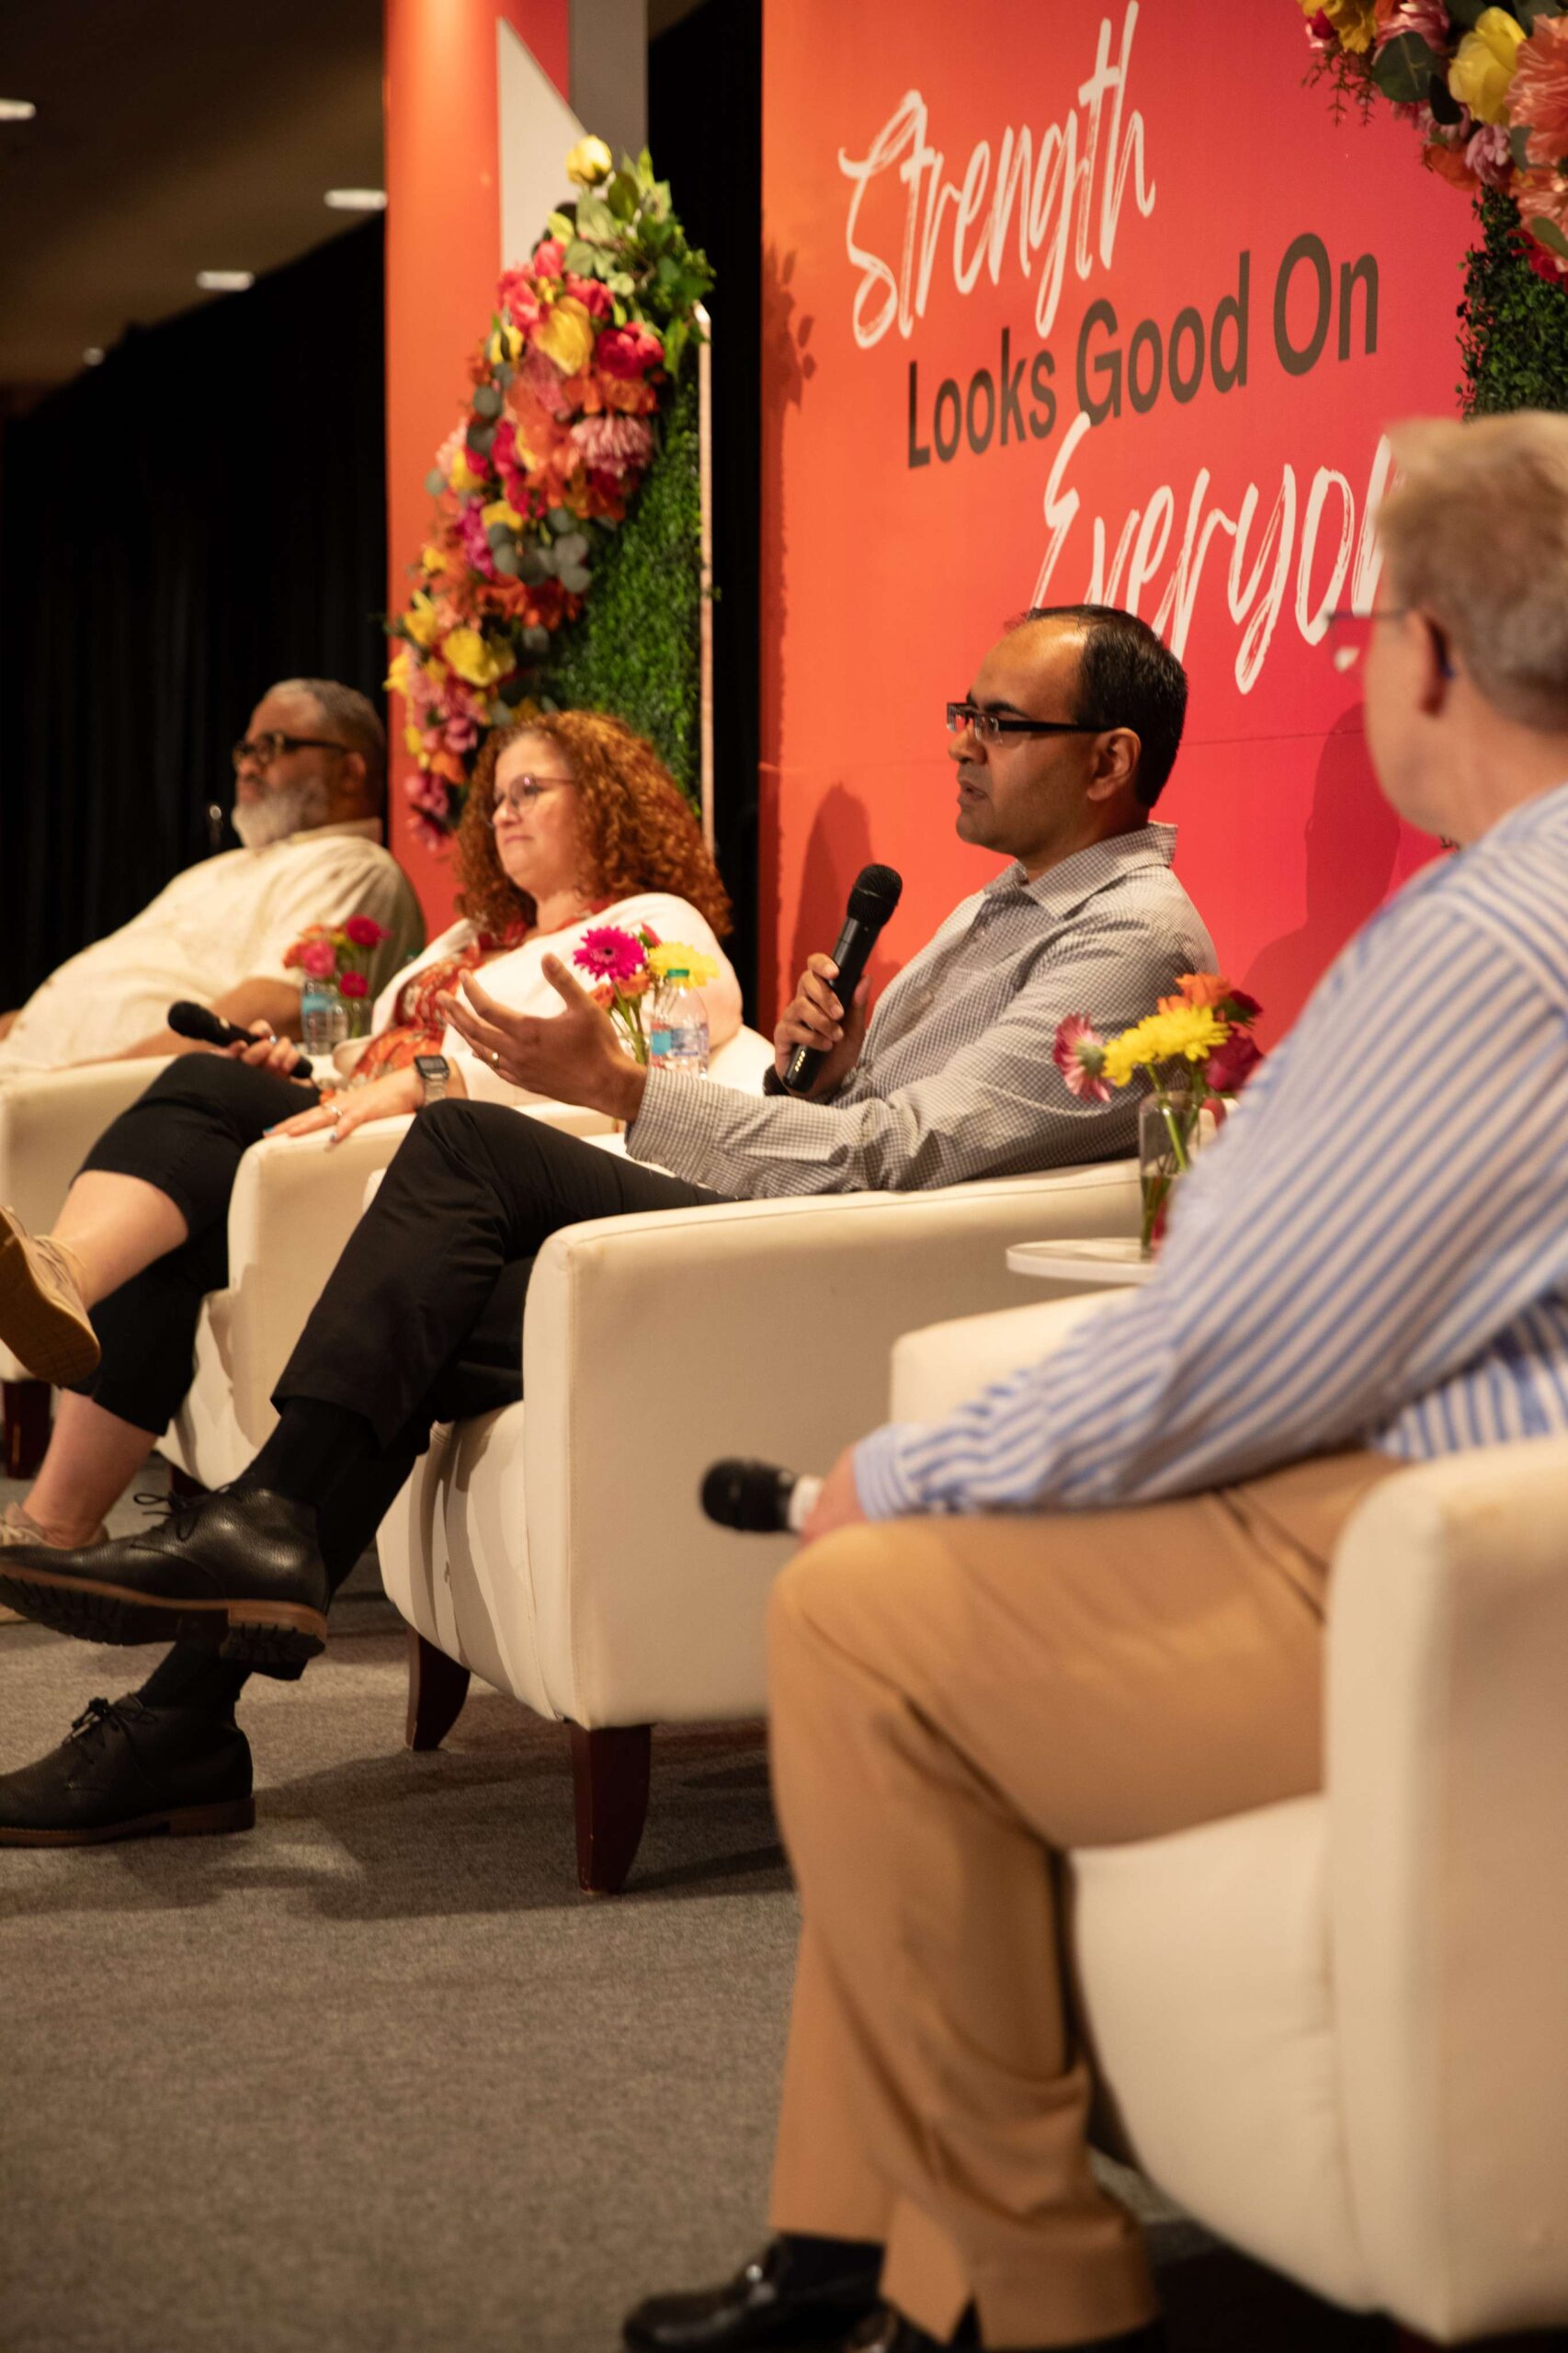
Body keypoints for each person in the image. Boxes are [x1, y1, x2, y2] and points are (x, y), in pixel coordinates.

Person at [612, 409, 1568, 2353]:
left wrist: (910, 1467)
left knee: (864, 1617)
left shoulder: (1485, 933)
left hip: (1437, 1560)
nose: (968, 742)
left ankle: (1035, 2292)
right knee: (910, 1614)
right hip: (1428, 1510)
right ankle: (866, 2259)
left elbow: (1236, 1336)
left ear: (1432, 657)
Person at [0, 603, 1215, 1846]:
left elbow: (910, 1158)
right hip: (798, 1225)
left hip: (823, 1270)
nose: (961, 742)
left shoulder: (1130, 937)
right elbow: (882, 1123)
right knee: (423, 1301)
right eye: (962, 714)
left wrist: (626, 1090)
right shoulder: (1001, 904)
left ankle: (233, 1582)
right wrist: (836, 1060)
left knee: (465, 1149)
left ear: (1107, 760)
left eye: (998, 723)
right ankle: (187, 1713)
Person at [0, 710, 739, 1564]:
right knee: (177, 1211)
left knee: (199, 1091)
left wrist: (426, 1081)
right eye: (497, 797)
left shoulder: (656, 918)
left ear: (607, 802)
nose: (504, 811)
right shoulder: (472, 937)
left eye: (530, 790)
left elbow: (651, 1042)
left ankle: (64, 1273)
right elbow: (373, 1047)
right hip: (351, 1110)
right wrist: (302, 1063)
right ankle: (53, 1523)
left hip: (441, 1151)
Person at [0, 679, 420, 1070]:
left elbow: (281, 1006)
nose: (247, 767)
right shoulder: (220, 869)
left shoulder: (356, 867)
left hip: (86, 1092)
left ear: (350, 772)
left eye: (271, 747)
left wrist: (76, 1082)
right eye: (245, 750)